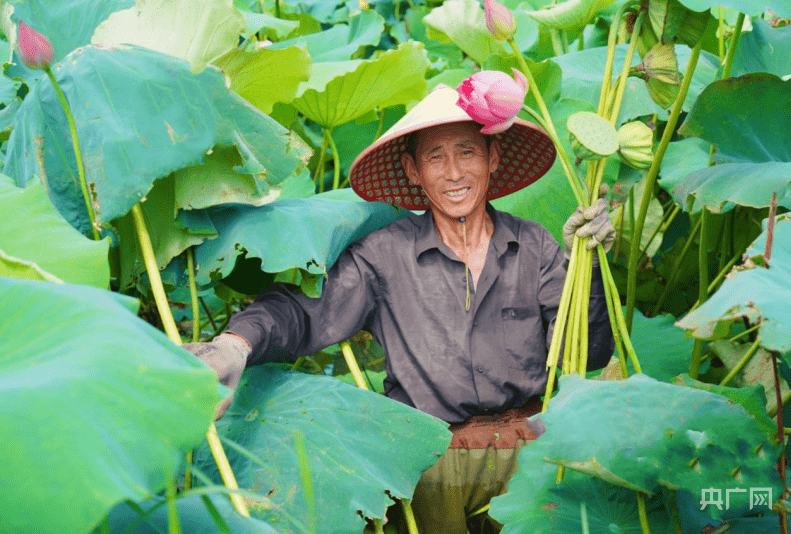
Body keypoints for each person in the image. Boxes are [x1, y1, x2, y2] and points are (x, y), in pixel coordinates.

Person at [185, 85, 616, 533]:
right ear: (412, 170)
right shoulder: (383, 255)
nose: (454, 173)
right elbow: (305, 312)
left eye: (467, 152)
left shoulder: (536, 245)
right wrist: (236, 344)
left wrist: (586, 266)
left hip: (530, 452)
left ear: (494, 156)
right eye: (435, 158)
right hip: (429, 464)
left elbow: (585, 358)